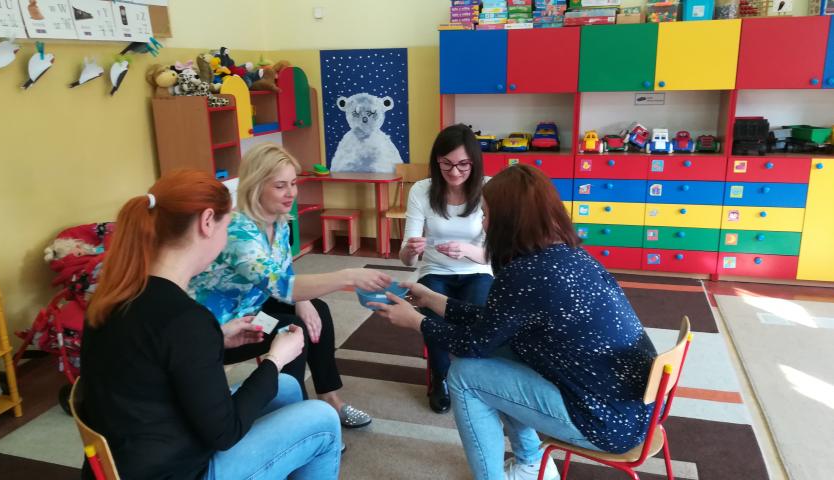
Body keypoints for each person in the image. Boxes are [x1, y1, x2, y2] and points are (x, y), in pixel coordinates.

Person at [373, 164, 658, 480]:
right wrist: (433, 300)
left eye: (485, 214)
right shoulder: (570, 255)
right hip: (636, 409)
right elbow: (495, 324)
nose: (483, 222)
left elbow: (473, 345)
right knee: (502, 353)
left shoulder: (524, 274)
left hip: (605, 421)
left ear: (509, 220)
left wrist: (415, 321)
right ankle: (531, 463)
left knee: (465, 375)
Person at [81, 169, 341, 480]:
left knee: (285, 387)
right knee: (323, 420)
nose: (227, 234)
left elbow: (156, 357)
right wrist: (275, 359)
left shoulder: (115, 296)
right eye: (227, 225)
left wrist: (216, 338)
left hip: (133, 453)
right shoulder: (186, 319)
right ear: (207, 222)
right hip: (180, 470)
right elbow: (225, 432)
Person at [190, 143, 392, 430]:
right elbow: (280, 284)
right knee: (292, 328)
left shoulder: (280, 222)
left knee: (317, 310)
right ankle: (295, 418)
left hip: (252, 304)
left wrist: (303, 300)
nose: (291, 193)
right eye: (280, 186)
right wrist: (348, 276)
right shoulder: (238, 231)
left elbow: (284, 271)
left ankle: (330, 400)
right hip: (220, 329)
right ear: (256, 186)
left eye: (293, 184)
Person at [398, 123, 493, 414]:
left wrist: (467, 251)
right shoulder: (421, 190)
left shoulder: (489, 188)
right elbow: (406, 260)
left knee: (479, 313)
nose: (454, 172)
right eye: (446, 163)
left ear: (474, 162)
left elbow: (498, 252)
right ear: (436, 161)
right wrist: (411, 251)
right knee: (433, 310)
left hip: (478, 269)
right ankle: (440, 378)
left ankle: (473, 378)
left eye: (463, 164)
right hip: (434, 269)